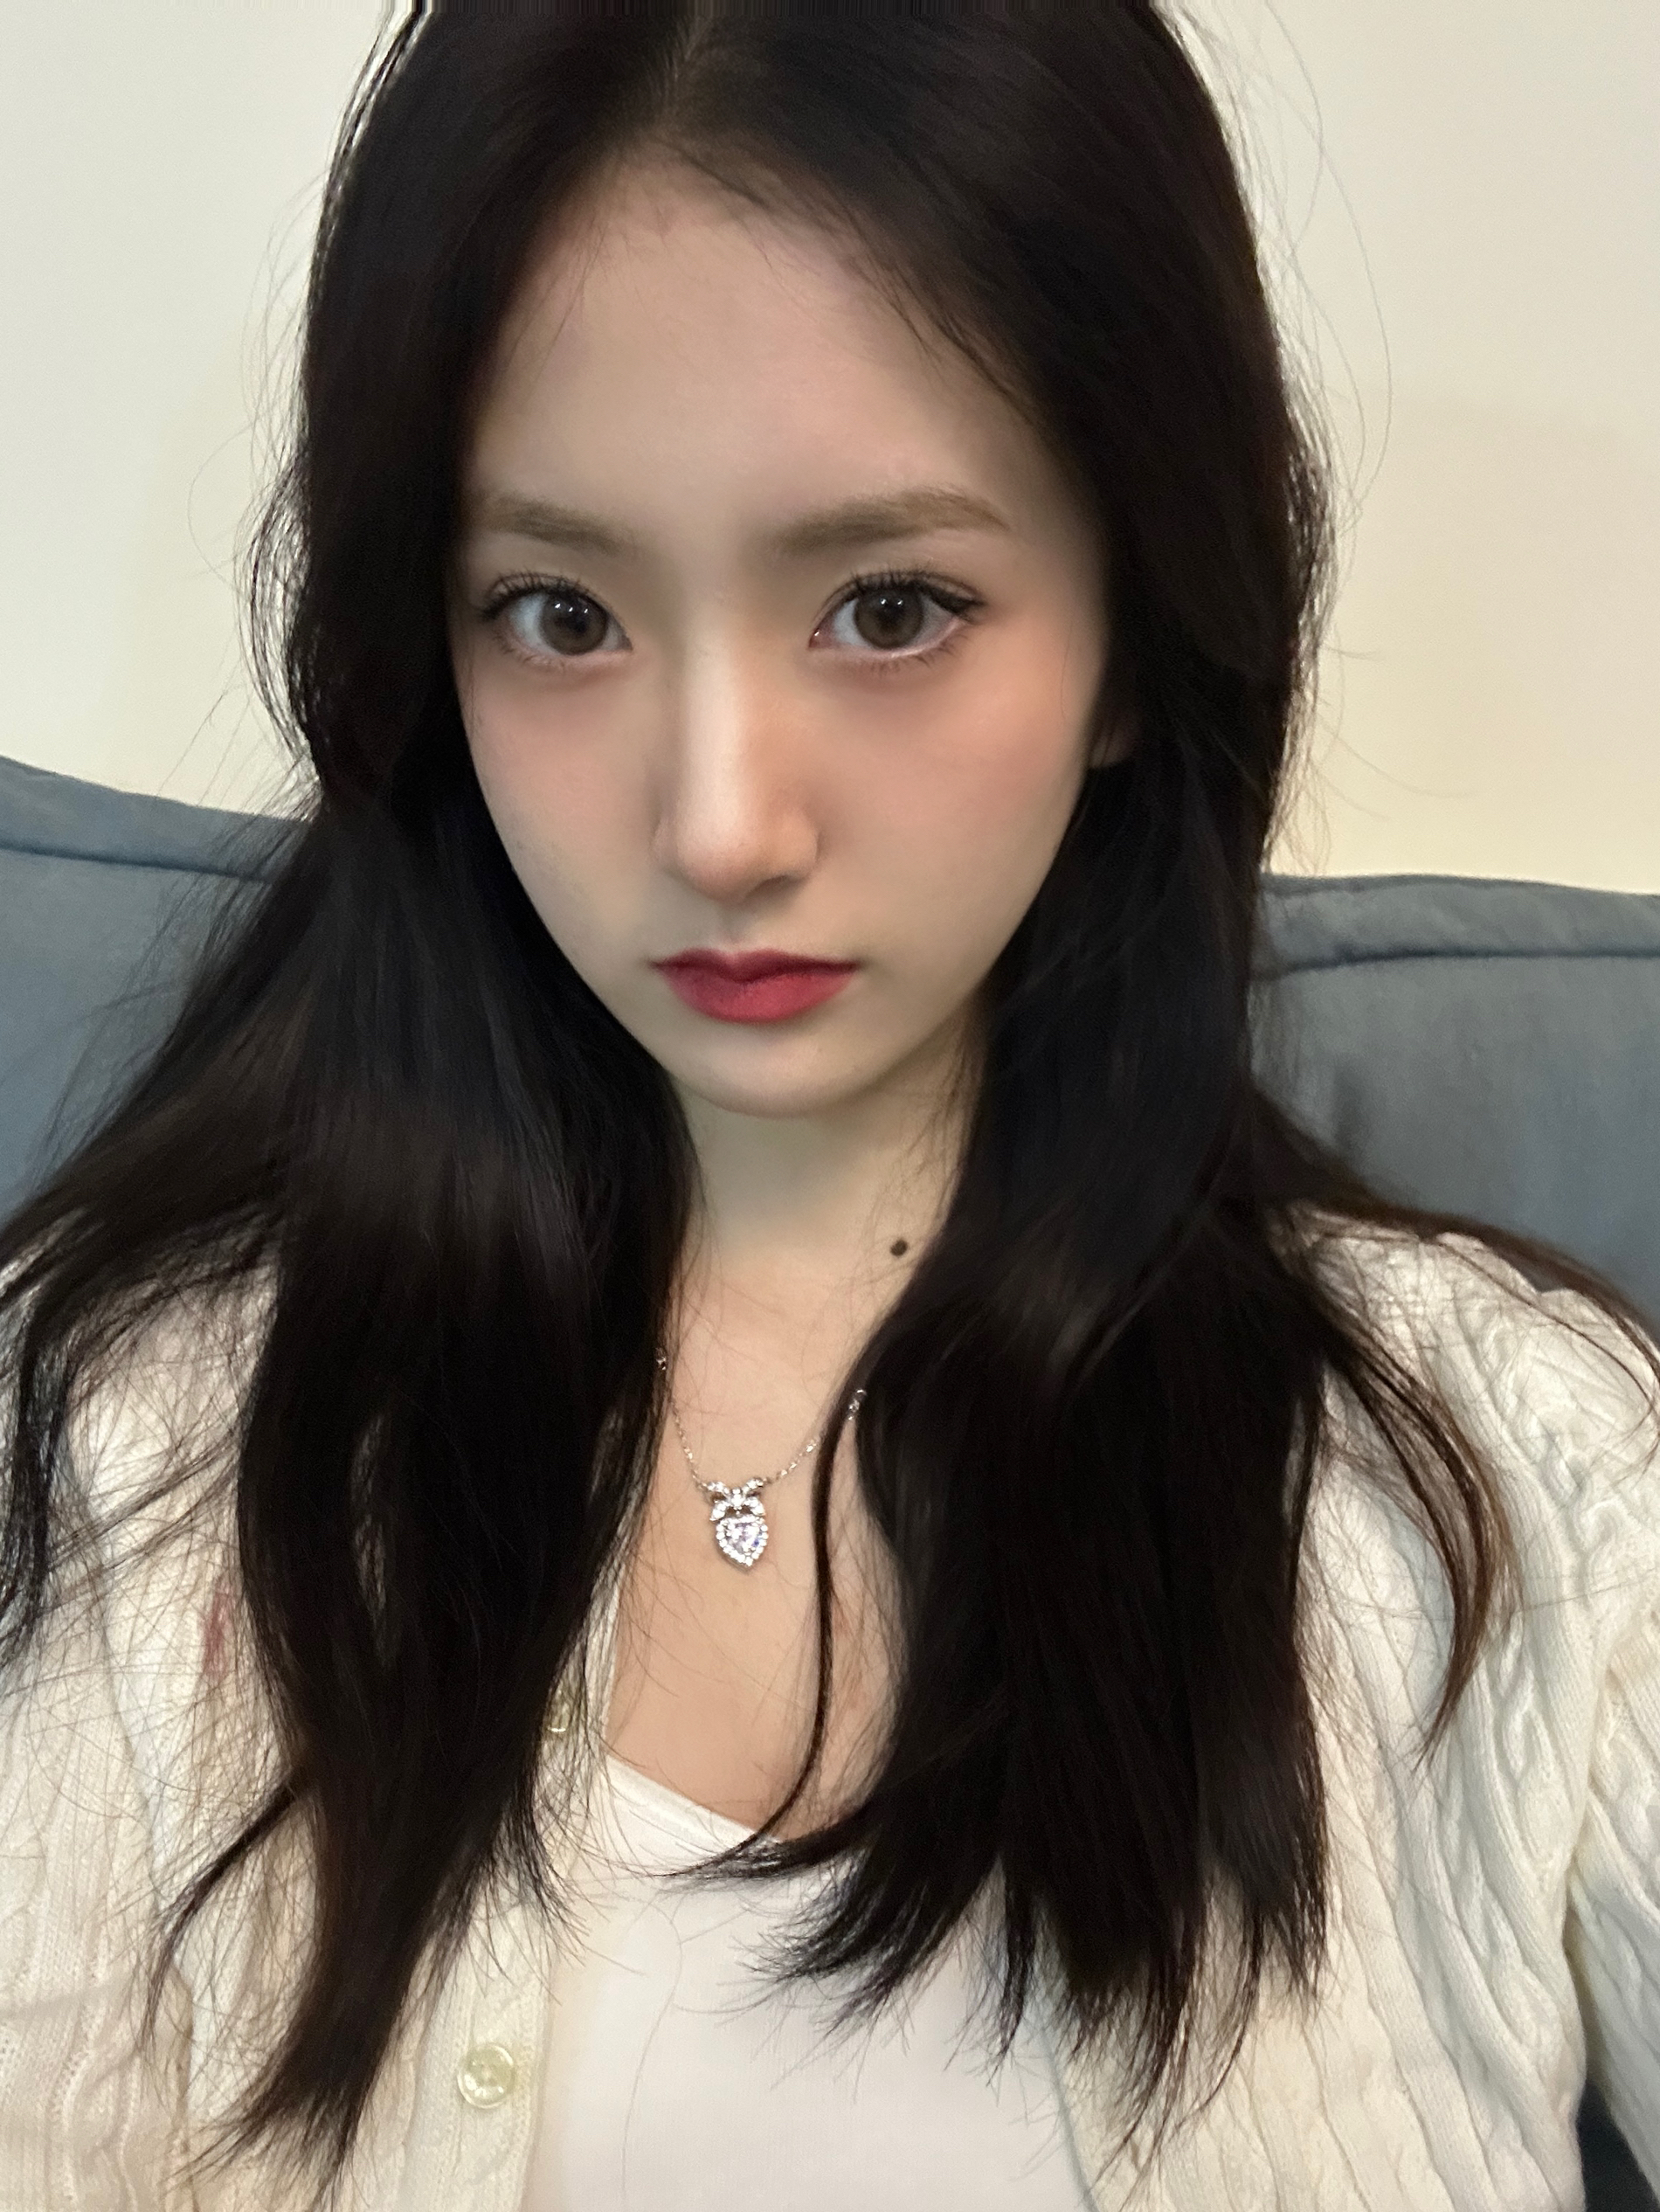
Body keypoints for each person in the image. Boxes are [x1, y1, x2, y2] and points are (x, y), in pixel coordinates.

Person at [1, 7, 1657, 2209]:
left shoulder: (1521, 1476)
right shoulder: (117, 1436)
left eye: (890, 608)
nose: (719, 824)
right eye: (557, 612)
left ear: (1134, 638)